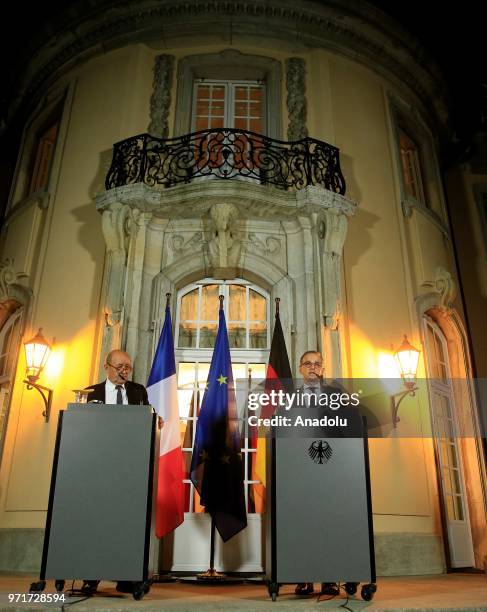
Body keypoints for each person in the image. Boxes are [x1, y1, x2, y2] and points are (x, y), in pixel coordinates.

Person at [82, 349, 150, 596]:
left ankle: (127, 576)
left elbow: (146, 419)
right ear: (106, 367)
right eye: (120, 366)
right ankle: (91, 576)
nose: (124, 371)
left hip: (130, 471)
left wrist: (156, 420)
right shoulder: (90, 393)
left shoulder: (138, 391)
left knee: (126, 524)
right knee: (96, 523)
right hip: (98, 471)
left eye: (128, 367)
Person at [294, 350, 339, 598]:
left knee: (329, 523)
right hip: (301, 470)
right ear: (300, 369)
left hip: (331, 468)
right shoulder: (290, 398)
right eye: (308, 364)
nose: (313, 367)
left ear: (322, 369)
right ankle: (304, 578)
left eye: (317, 364)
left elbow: (347, 427)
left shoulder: (336, 396)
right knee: (304, 524)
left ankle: (330, 578)